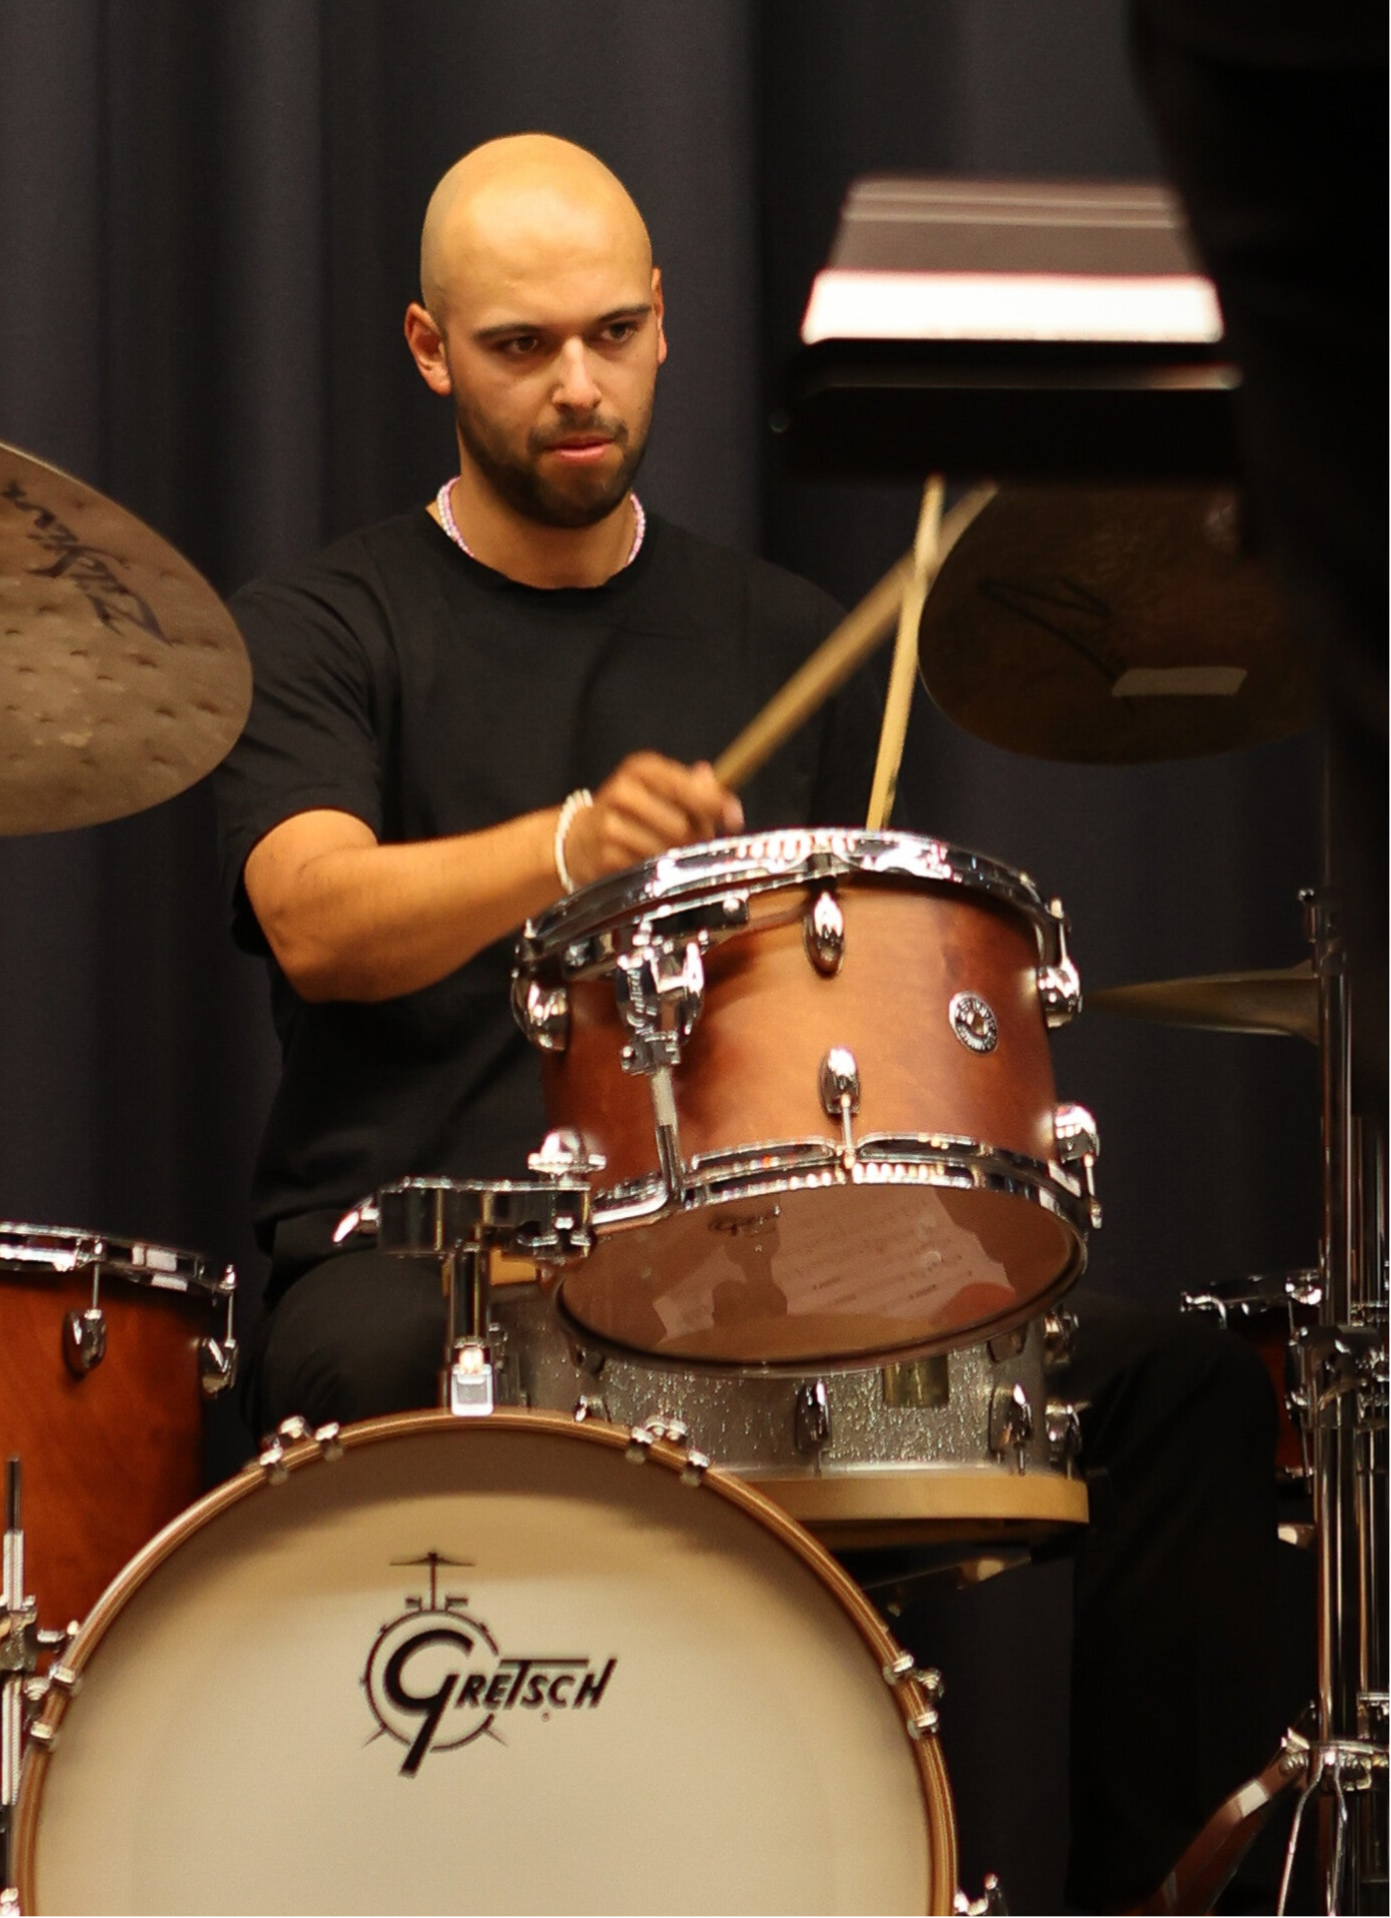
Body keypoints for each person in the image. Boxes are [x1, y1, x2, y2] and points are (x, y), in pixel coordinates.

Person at [212, 134, 1280, 1911]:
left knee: (1175, 1387)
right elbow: (314, 919)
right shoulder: (324, 627)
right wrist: (567, 845)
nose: (578, 383)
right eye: (520, 346)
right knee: (374, 1369)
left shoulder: (778, 633)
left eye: (612, 333)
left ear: (663, 319)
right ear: (427, 349)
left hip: (738, 1269)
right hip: (429, 1259)